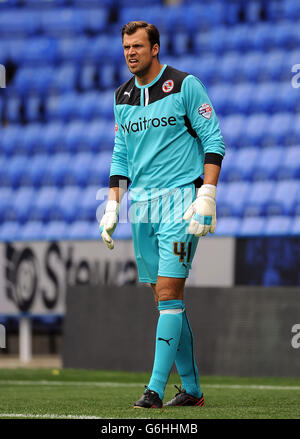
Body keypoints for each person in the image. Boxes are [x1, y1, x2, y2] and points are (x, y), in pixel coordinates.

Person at [99, 21, 225, 408]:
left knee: (169, 295)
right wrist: (112, 205)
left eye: (137, 46)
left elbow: (213, 139)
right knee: (165, 299)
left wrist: (207, 194)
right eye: (125, 47)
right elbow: (121, 154)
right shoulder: (121, 96)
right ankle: (193, 390)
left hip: (180, 202)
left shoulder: (185, 85)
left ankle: (153, 390)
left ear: (155, 48)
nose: (130, 53)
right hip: (143, 207)